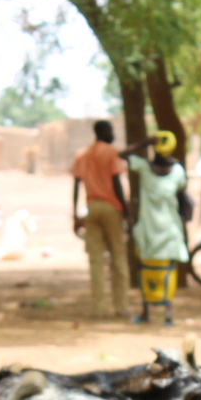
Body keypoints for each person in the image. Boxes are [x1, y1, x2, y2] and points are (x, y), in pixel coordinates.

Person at [122, 130, 190, 326]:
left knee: (147, 271)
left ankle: (146, 312)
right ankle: (167, 314)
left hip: (149, 229)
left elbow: (122, 155)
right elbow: (182, 193)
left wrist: (144, 143)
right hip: (167, 229)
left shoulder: (144, 167)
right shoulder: (178, 171)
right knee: (167, 271)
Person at [70, 120, 130, 318]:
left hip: (92, 208)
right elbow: (116, 182)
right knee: (118, 258)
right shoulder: (111, 152)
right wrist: (126, 210)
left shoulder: (82, 155)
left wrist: (75, 214)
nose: (112, 133)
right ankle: (121, 307)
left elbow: (76, 185)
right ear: (104, 132)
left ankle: (100, 307)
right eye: (111, 130)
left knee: (95, 260)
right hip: (112, 208)